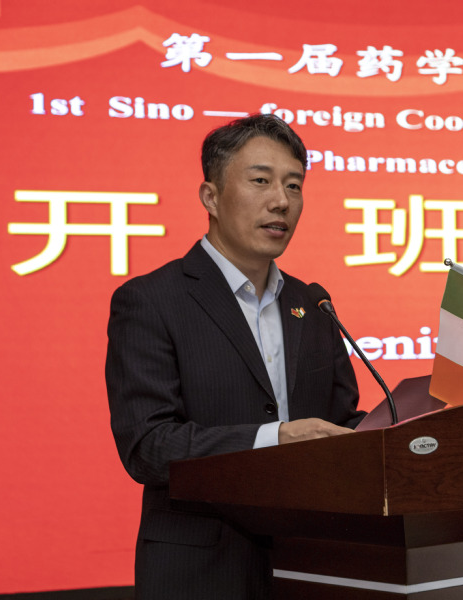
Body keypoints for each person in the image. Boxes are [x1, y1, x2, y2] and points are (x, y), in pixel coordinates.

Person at [105, 114, 366, 599]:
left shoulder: (311, 303)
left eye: (294, 185)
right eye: (261, 181)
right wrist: (275, 439)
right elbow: (148, 447)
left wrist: (404, 429)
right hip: (200, 572)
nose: (281, 200)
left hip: (310, 566)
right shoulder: (151, 300)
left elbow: (339, 422)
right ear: (210, 197)